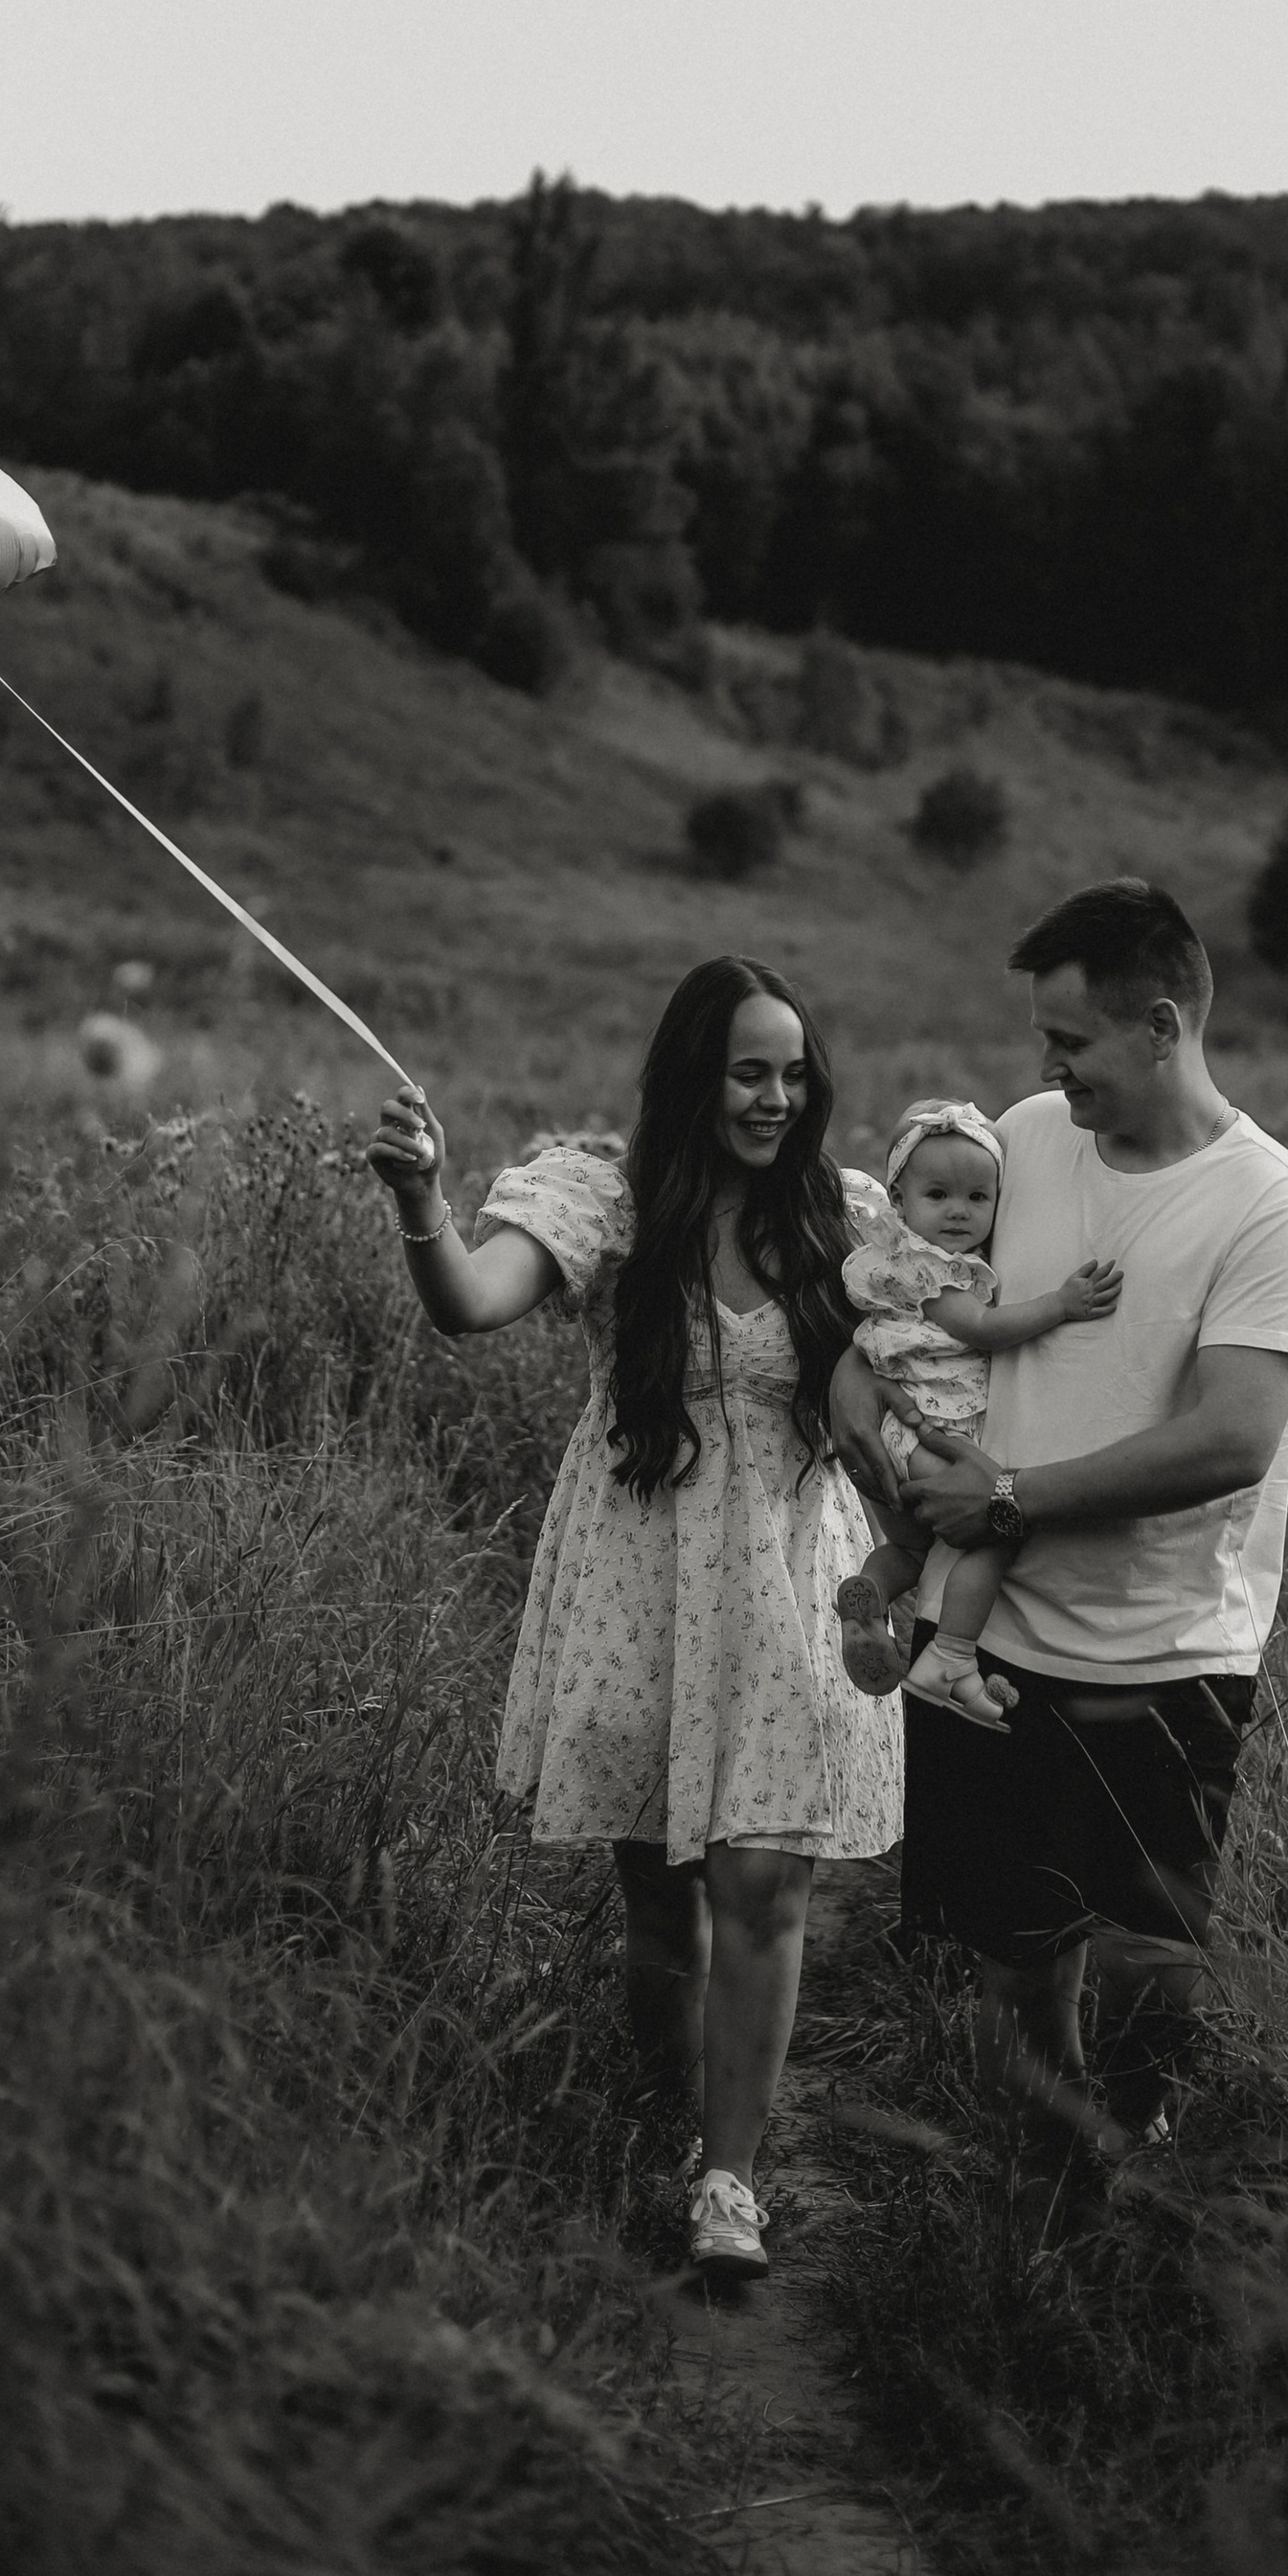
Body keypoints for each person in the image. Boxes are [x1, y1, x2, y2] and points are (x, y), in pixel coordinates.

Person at [366, 957, 905, 2283]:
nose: (776, 1098)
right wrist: (423, 1200)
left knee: (764, 1882)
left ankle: (730, 2179)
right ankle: (669, 2131)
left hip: (787, 1580)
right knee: (663, 1909)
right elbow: (469, 1307)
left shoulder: (847, 1216)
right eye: (747, 1071)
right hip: (641, 1582)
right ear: (693, 1078)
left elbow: (935, 1370)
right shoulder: (604, 1196)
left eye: (793, 1072)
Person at [891, 878, 1288, 2161]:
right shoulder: (1025, 1138)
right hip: (989, 1637)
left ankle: (1131, 2149)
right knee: (1015, 1950)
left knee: (1151, 1950)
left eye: (1071, 1041)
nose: (1049, 1067)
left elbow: (1234, 1437)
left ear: (1159, 1025)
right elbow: (931, 1294)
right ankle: (1049, 2186)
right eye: (1044, 1040)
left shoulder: (1273, 1204)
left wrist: (1015, 1496)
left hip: (1164, 1647)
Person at [833, 1097, 1122, 1728]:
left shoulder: (889, 1260)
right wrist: (1061, 1305)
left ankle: (870, 1596)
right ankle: (951, 1656)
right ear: (900, 1201)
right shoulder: (939, 1272)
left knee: (909, 1551)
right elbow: (983, 1328)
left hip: (889, 1439)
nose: (960, 1211)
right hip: (932, 1433)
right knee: (1002, 1524)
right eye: (939, 1195)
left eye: (977, 1197)